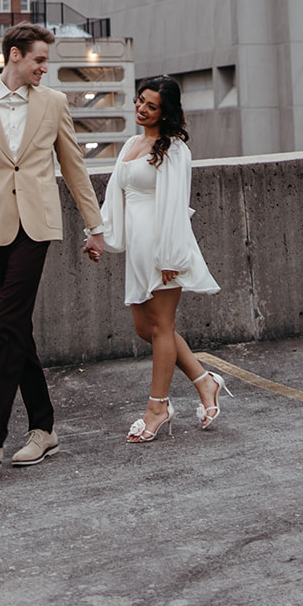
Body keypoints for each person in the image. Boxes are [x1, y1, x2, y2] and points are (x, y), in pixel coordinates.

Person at [0, 21, 105, 471]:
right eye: (39, 59)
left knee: (9, 325)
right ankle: (44, 427)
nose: (45, 68)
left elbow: (74, 167)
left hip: (36, 227)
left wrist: (93, 226)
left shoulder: (54, 104)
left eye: (47, 61)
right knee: (16, 331)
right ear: (15, 55)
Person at [100, 75, 227, 442]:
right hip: (138, 248)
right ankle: (205, 382)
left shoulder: (174, 149)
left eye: (151, 106)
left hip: (162, 247)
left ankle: (158, 406)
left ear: (165, 112)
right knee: (147, 329)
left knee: (161, 327)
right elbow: (116, 194)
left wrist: (170, 254)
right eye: (140, 100)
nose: (141, 108)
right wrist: (100, 236)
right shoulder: (131, 143)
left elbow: (175, 204)